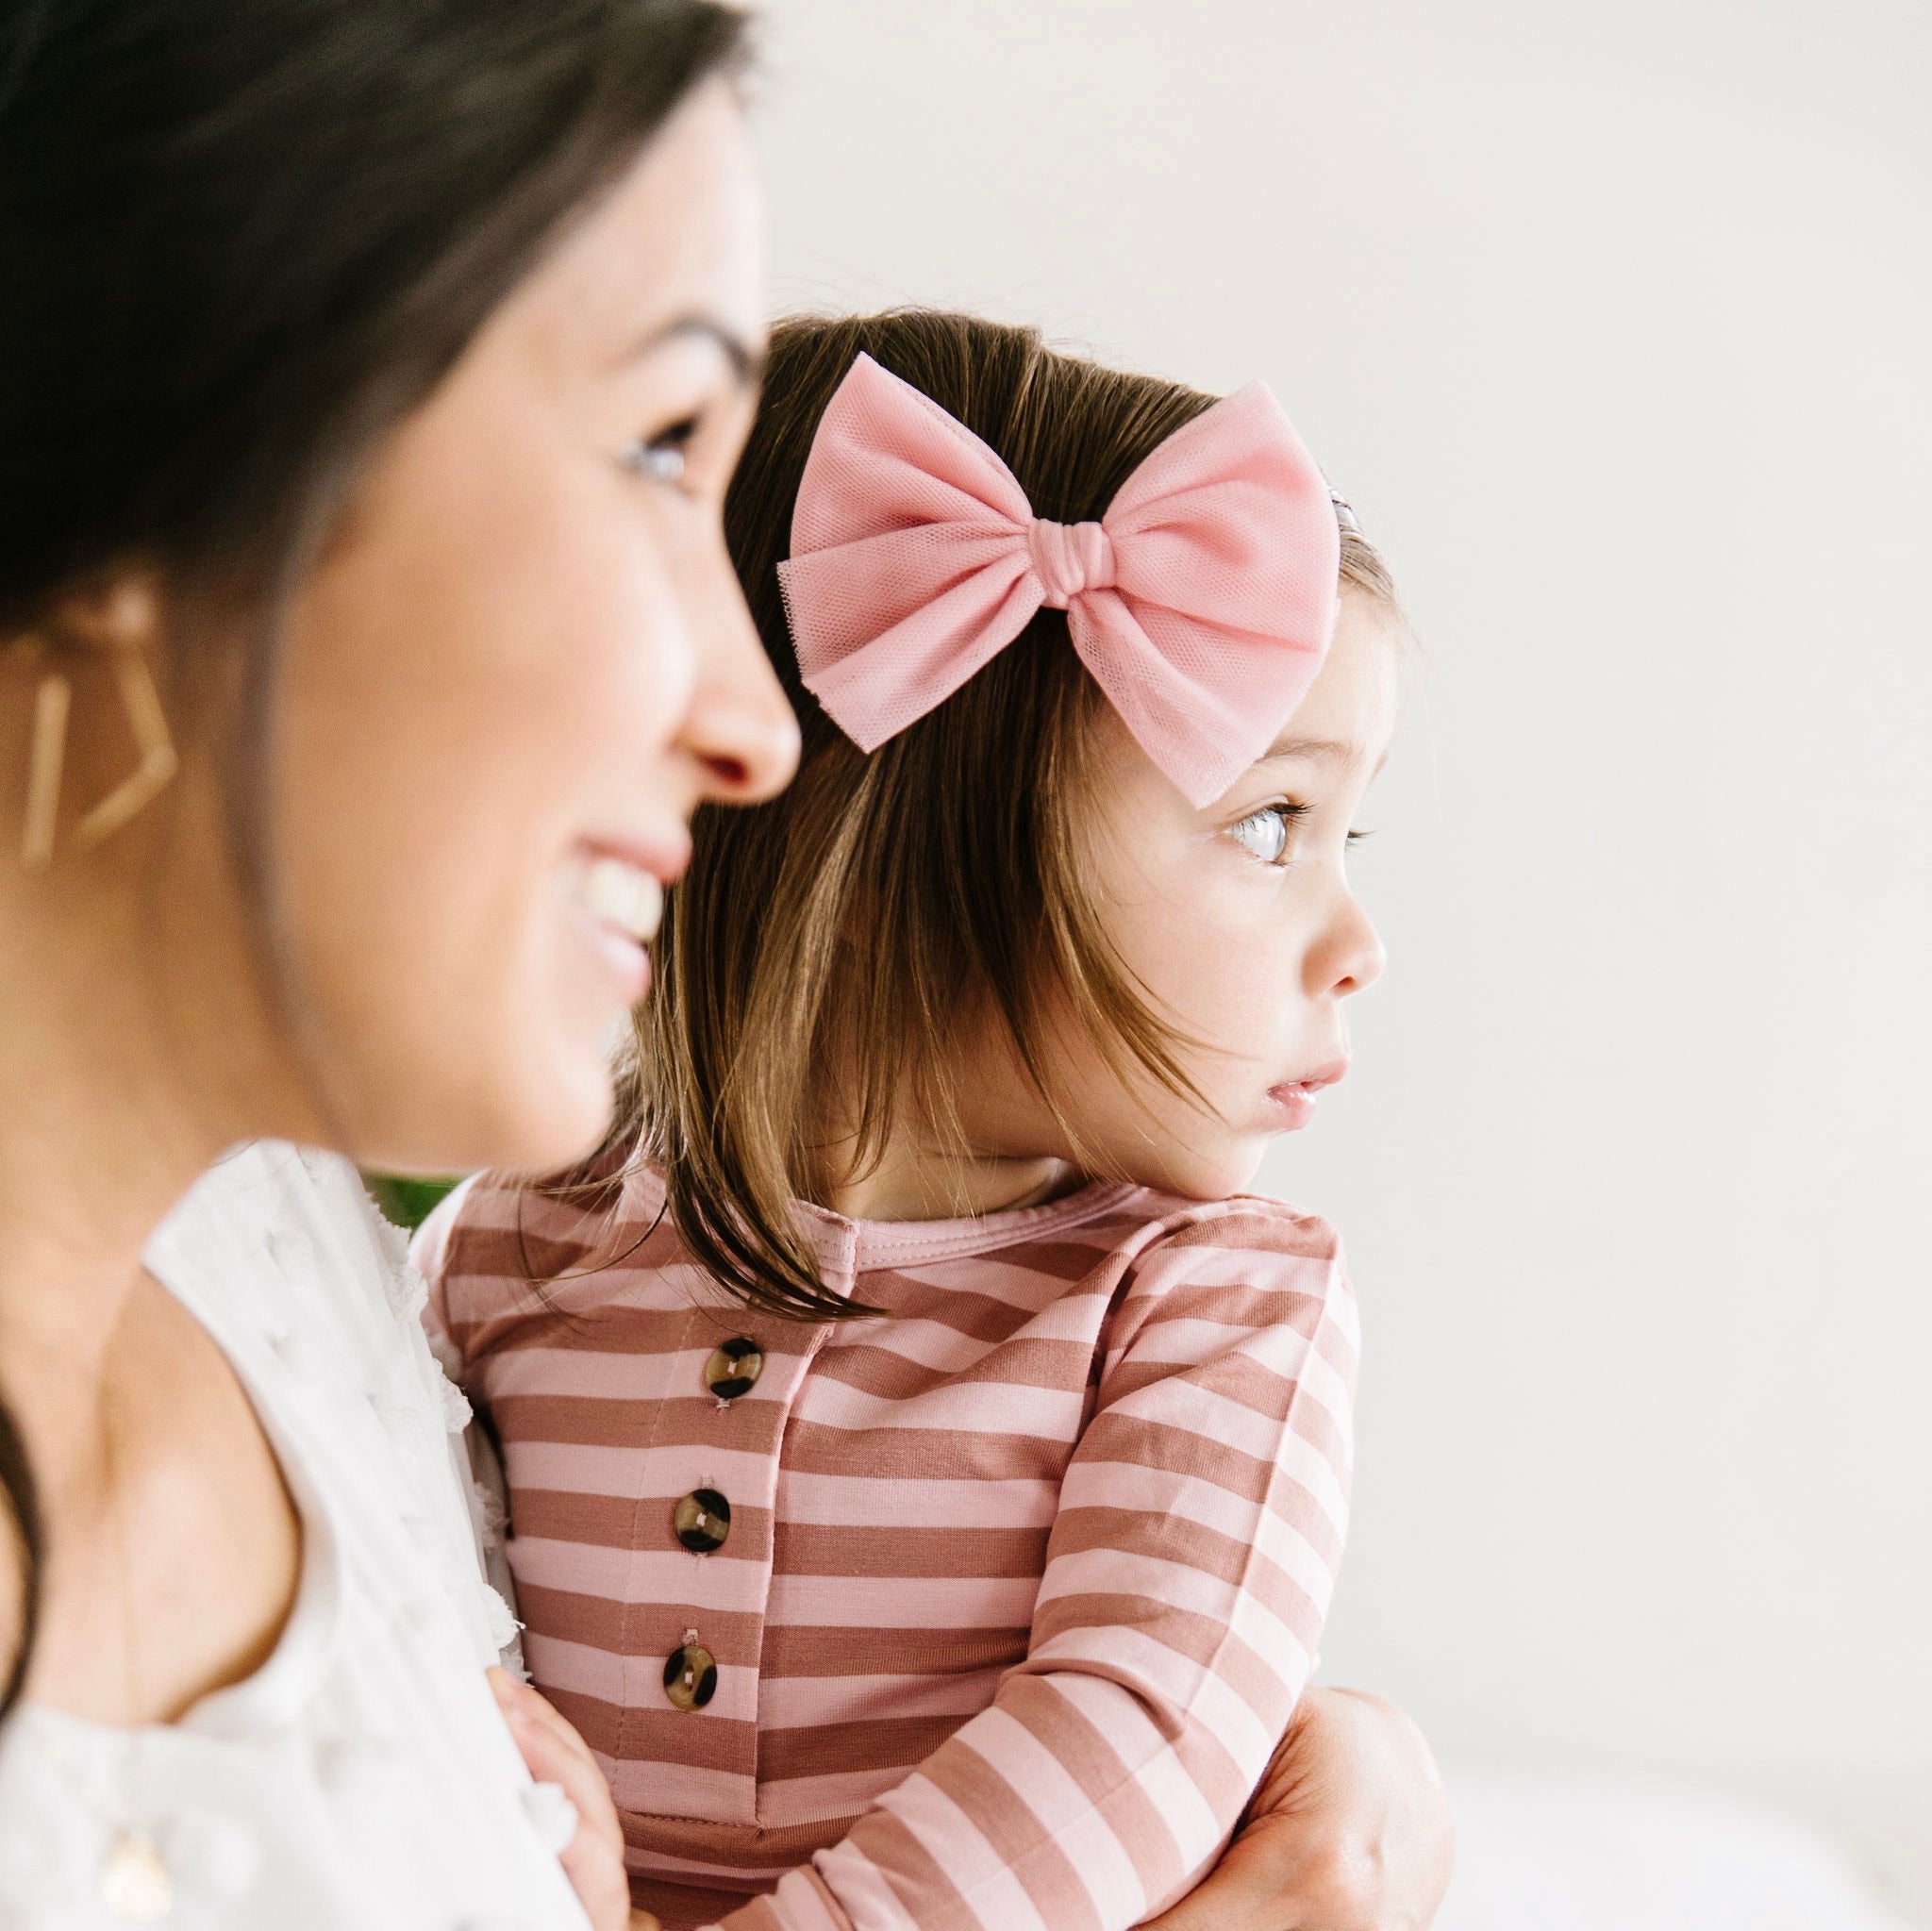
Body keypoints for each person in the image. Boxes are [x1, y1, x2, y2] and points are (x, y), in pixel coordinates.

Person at [0, 0, 1449, 1923]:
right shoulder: (506, 1247)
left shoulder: (322, 1274)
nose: (759, 724)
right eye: (655, 445)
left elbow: (1138, 1709)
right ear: (160, 466)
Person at [417, 310, 1425, 1931]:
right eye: (1272, 822)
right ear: (917, 821)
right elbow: (416, 1663)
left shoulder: (1216, 1308)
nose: (1358, 943)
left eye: (1347, 831)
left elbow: (1137, 1729)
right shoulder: (512, 1242)